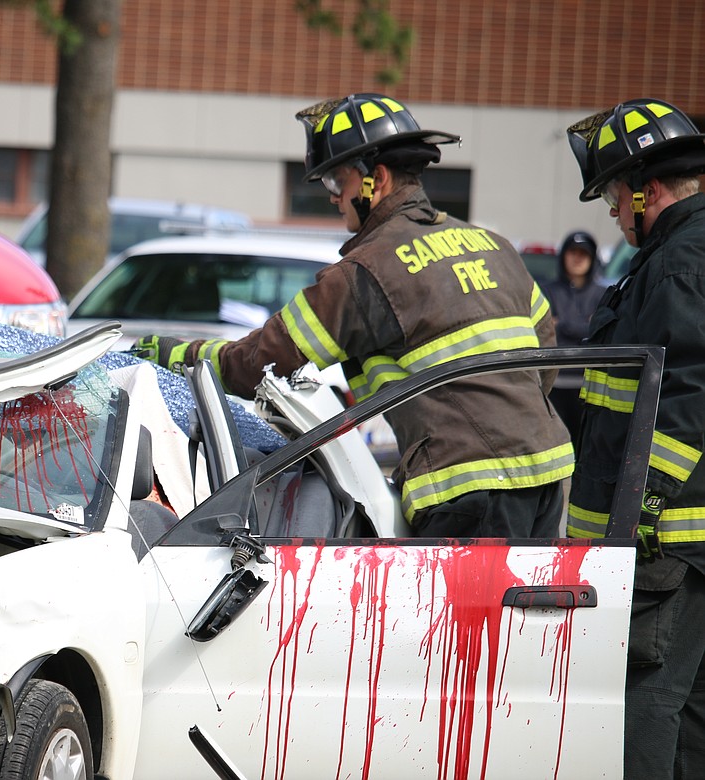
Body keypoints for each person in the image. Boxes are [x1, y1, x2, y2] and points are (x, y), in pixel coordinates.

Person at [135, 93, 571, 538]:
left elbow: (260, 362)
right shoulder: (493, 246)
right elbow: (545, 357)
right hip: (547, 476)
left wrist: (180, 355)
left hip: (465, 493)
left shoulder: (367, 272)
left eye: (335, 182)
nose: (332, 198)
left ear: (374, 179)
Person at [564, 98, 705, 780]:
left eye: (616, 195)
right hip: (680, 541)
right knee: (689, 712)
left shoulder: (679, 265)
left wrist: (643, 504)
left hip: (666, 540)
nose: (615, 212)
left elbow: (689, 396)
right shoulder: (680, 255)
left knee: (645, 705)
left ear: (645, 188)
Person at [540, 229, 607, 434]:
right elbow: (543, 331)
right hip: (554, 384)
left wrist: (562, 324)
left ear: (592, 259)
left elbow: (602, 332)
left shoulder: (604, 294)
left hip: (590, 385)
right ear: (563, 256)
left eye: (584, 253)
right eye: (573, 252)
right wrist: (586, 325)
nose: (578, 258)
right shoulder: (547, 291)